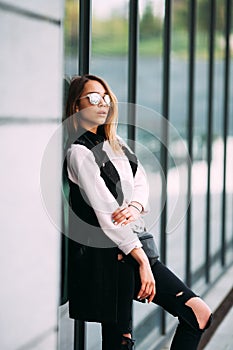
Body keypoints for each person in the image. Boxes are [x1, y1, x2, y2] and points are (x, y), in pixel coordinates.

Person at [64, 74, 212, 350]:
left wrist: (135, 205)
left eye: (106, 97)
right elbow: (107, 214)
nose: (102, 103)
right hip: (114, 257)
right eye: (94, 98)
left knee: (197, 315)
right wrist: (143, 262)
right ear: (76, 107)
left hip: (130, 249)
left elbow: (141, 180)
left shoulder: (115, 142)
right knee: (121, 341)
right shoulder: (79, 153)